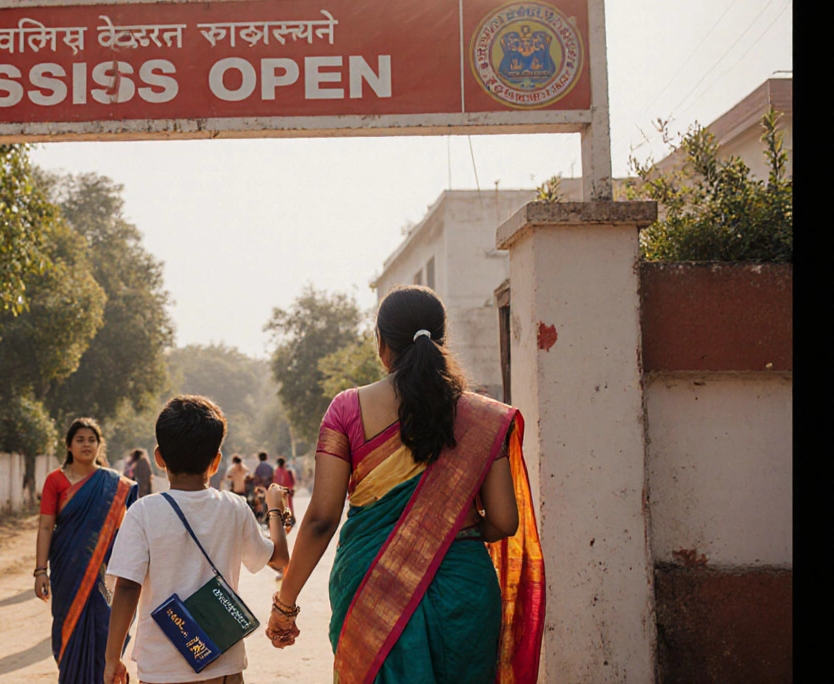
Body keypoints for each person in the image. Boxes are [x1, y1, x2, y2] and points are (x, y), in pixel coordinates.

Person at [266, 286, 546, 684]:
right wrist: (448, 528)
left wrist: (285, 604)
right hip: (464, 592)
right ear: (440, 342)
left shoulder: (347, 409)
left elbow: (321, 521)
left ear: (381, 342)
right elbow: (503, 520)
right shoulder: (482, 417)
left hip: (371, 586)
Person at [103, 395, 292, 684]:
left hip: (161, 668)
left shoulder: (143, 512)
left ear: (159, 457)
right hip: (223, 662)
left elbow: (127, 588)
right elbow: (279, 559)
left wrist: (112, 659)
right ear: (216, 461)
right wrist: (275, 508)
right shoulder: (234, 507)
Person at [34, 418, 138, 684]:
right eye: (80, 439)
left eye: (92, 439)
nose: (86, 444)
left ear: (99, 444)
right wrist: (40, 570)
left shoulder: (114, 485)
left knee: (105, 627)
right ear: (69, 445)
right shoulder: (55, 481)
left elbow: (124, 530)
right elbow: (46, 526)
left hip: (104, 572)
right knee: (66, 630)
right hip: (67, 568)